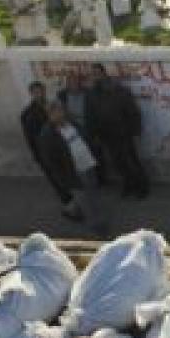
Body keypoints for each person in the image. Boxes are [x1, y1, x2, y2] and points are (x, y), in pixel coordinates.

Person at [39, 100, 109, 236]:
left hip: (88, 165)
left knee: (93, 194)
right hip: (74, 173)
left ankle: (82, 213)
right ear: (49, 115)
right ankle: (97, 227)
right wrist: (64, 181)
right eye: (55, 113)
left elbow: (85, 138)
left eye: (60, 110)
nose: (59, 114)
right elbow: (52, 163)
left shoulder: (72, 123)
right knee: (86, 202)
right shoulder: (47, 135)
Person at [85, 62, 149, 199]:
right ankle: (128, 185)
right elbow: (90, 115)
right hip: (106, 135)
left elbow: (133, 111)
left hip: (123, 132)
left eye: (98, 73)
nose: (96, 76)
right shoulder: (91, 94)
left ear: (104, 73)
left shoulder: (119, 89)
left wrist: (136, 131)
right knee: (118, 163)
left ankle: (142, 187)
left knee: (131, 161)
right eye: (93, 74)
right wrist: (93, 134)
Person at [20, 81, 77, 218]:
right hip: (46, 154)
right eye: (36, 92)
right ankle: (69, 207)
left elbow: (64, 123)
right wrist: (38, 157)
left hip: (63, 149)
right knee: (57, 180)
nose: (39, 94)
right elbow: (30, 138)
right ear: (31, 94)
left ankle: (75, 202)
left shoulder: (54, 105)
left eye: (41, 91)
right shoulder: (27, 114)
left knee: (68, 176)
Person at [58, 72, 109, 185]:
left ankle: (102, 179)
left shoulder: (88, 93)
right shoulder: (62, 95)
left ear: (80, 82)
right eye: (71, 82)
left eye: (76, 81)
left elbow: (97, 111)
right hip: (74, 132)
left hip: (90, 129)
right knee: (82, 155)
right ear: (67, 84)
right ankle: (89, 180)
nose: (74, 84)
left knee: (96, 154)